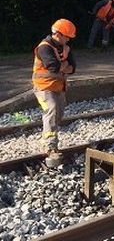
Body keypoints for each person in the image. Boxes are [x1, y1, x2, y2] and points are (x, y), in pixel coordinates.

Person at [32, 19, 77, 159]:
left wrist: (63, 65)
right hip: (43, 87)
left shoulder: (65, 48)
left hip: (59, 87)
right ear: (58, 34)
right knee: (52, 109)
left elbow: (73, 68)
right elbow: (54, 67)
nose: (68, 40)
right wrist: (64, 65)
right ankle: (51, 146)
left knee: (58, 114)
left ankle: (47, 136)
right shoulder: (44, 47)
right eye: (67, 36)